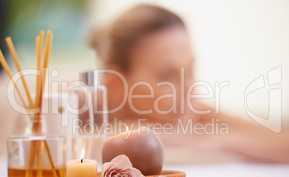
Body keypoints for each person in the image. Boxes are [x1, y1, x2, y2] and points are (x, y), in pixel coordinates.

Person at [90, 4, 289, 163]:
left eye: (191, 70)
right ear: (115, 84)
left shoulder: (193, 113)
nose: (189, 88)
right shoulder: (76, 113)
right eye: (167, 76)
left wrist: (216, 140)